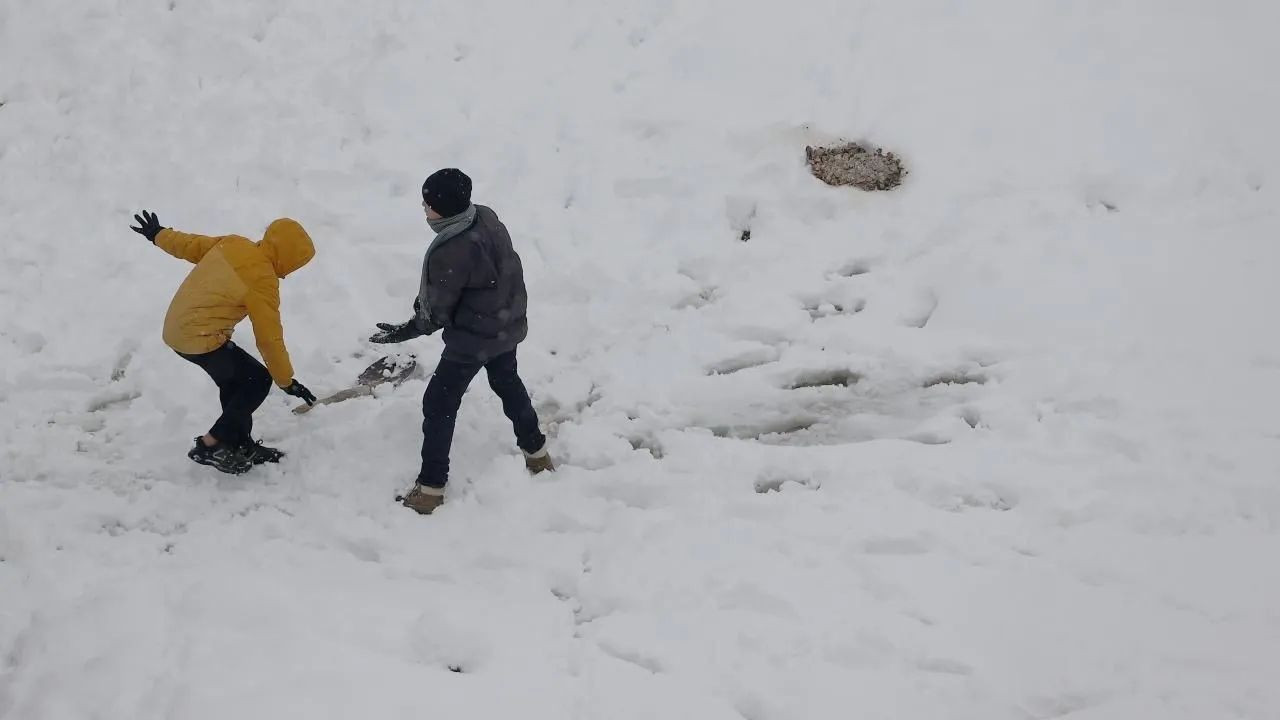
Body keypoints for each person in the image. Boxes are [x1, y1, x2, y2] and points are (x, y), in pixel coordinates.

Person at [371, 168, 553, 515]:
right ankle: (538, 454)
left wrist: (409, 329)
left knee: (438, 404)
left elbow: (437, 311)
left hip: (474, 338)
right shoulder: (485, 216)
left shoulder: (451, 249)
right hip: (505, 325)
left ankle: (430, 489)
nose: (423, 207)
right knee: (507, 382)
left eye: (429, 203)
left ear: (445, 207)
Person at [129, 210, 318, 474]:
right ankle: (212, 444)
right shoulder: (263, 280)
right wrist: (286, 381)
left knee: (235, 380)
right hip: (200, 337)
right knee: (258, 380)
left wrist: (158, 234)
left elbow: (190, 245)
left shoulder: (234, 244)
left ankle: (239, 444)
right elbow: (269, 339)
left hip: (177, 329)